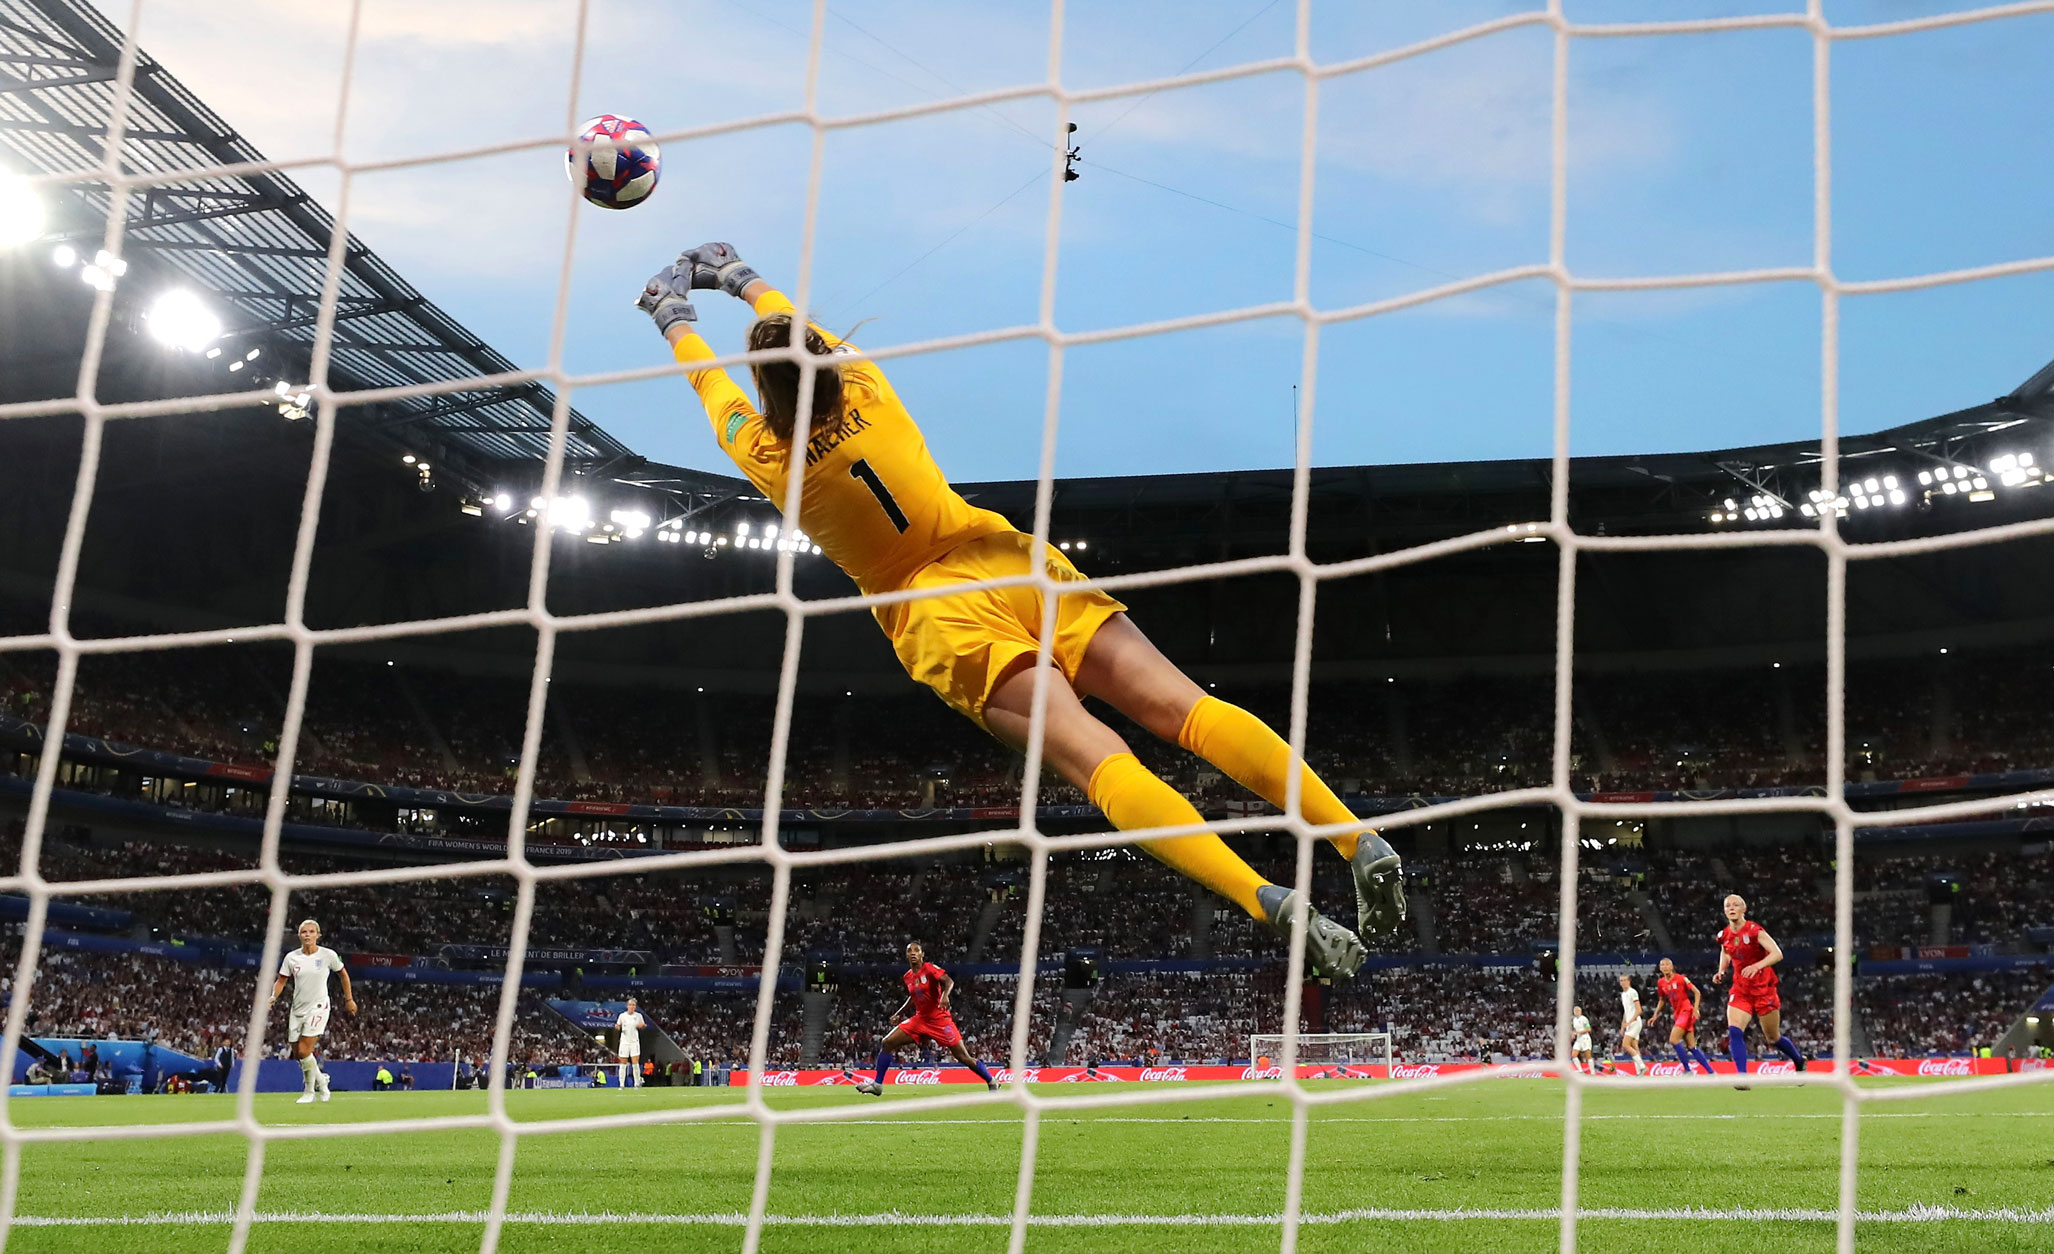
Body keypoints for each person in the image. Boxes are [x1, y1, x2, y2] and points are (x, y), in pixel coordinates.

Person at [639, 245, 1408, 978]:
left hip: (937, 613)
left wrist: (672, 316)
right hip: (1011, 562)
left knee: (1099, 760)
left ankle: (1261, 897)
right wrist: (738, 276)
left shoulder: (769, 459)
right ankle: (1355, 837)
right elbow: (804, 332)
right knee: (1189, 711)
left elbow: (714, 390)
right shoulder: (866, 387)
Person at [855, 942, 999, 1096]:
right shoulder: (908, 976)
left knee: (963, 1057)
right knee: (887, 1042)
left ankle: (991, 1081)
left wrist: (944, 995)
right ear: (906, 955)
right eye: (909, 951)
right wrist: (900, 1012)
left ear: (922, 954)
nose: (913, 953)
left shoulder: (929, 968)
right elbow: (913, 996)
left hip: (939, 1020)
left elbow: (949, 981)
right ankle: (877, 1085)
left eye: (916, 950)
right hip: (920, 1020)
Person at [1712, 894, 1806, 1080]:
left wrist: (1757, 966)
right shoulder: (1724, 935)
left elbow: (1777, 954)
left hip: (1764, 989)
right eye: (1727, 905)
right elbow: (1725, 952)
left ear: (1743, 909)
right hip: (1741, 990)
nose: (1731, 908)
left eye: (1735, 905)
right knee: (1735, 1030)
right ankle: (1742, 1077)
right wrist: (1721, 970)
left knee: (1772, 1038)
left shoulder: (1754, 931)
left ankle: (1798, 1060)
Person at [268, 918, 355, 1105]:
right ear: (299, 935)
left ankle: (309, 1091)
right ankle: (322, 1081)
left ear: (318, 935)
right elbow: (281, 980)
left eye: (311, 932)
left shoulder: (328, 955)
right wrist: (273, 997)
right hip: (297, 1008)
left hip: (319, 1007)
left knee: (304, 1049)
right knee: (298, 1053)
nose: (307, 935)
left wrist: (349, 999)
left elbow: (343, 974)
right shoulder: (292, 958)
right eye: (304, 932)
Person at [1650, 957, 1716, 1075]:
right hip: (1677, 1013)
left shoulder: (1681, 978)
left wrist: (1695, 1009)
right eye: (1662, 965)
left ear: (1672, 967)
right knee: (1691, 1046)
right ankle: (1711, 1072)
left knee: (1673, 1039)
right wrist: (1655, 1015)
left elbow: (1697, 992)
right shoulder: (1661, 982)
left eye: (1667, 965)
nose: (1665, 967)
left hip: (1686, 1011)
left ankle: (1687, 1070)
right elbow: (1662, 999)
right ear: (1660, 968)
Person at [1617, 973, 1646, 1076]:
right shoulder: (1623, 994)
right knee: (1634, 1046)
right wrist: (1623, 1025)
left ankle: (1642, 1066)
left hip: (1635, 1023)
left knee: (1625, 1044)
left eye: (1625, 980)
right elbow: (1626, 1011)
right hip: (1630, 1024)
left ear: (1629, 981)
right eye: (1621, 980)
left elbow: (1639, 1010)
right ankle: (1639, 1071)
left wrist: (1629, 1022)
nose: (1623, 982)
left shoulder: (1633, 992)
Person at [615, 998, 646, 1090]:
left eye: (633, 1005)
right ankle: (621, 1084)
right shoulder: (622, 1016)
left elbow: (643, 1025)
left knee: (635, 1063)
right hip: (624, 1042)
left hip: (634, 1042)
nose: (632, 1007)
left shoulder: (639, 1016)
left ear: (635, 1007)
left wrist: (642, 1026)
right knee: (623, 1063)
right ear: (627, 1006)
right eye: (630, 1005)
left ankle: (637, 1083)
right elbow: (618, 1025)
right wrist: (617, 1027)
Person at [1570, 1006, 1595, 1075]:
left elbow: (1589, 1029)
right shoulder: (1574, 1020)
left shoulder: (1584, 1019)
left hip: (1585, 1038)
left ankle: (1592, 1072)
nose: (1576, 1012)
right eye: (1575, 1011)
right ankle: (1580, 1071)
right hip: (1578, 1039)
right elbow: (1575, 1029)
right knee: (1573, 1055)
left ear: (1580, 1012)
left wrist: (1578, 1032)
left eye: (1578, 1011)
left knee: (1588, 1056)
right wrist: (1573, 1034)